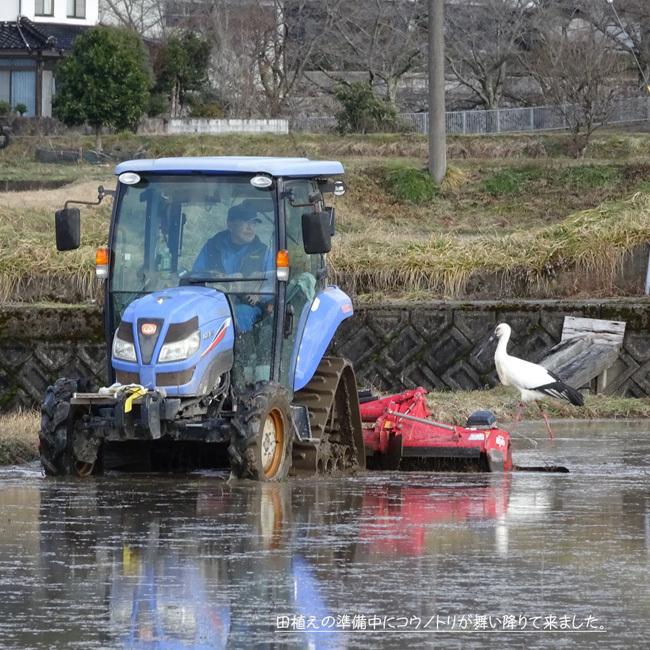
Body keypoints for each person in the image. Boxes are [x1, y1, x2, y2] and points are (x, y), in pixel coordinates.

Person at [193, 201, 273, 332]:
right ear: (230, 224)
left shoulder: (263, 253)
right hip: (214, 303)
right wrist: (212, 276)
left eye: (253, 223)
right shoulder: (212, 247)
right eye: (245, 222)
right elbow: (196, 275)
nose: (250, 228)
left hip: (248, 306)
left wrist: (259, 295)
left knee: (239, 314)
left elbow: (273, 282)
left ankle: (240, 351)